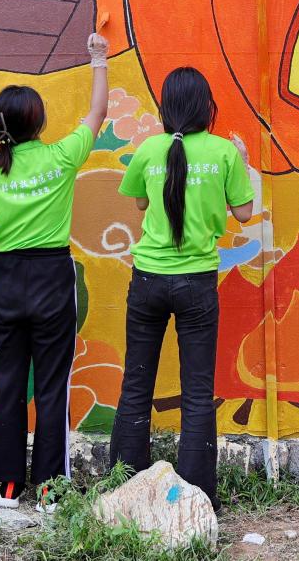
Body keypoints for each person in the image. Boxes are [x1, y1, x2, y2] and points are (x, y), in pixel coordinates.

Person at [0, 33, 108, 509]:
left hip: (7, 283)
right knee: (52, 384)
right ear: (39, 122)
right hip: (52, 279)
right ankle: (51, 488)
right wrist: (98, 60)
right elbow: (97, 115)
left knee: (6, 383)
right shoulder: (61, 157)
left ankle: (9, 485)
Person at [109, 66, 254, 509]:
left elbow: (139, 202)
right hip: (197, 283)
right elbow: (245, 213)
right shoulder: (224, 153)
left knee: (136, 385)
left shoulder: (149, 149)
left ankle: (126, 493)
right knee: (196, 391)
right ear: (206, 107)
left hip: (148, 279)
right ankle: (194, 501)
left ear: (166, 107)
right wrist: (242, 163)